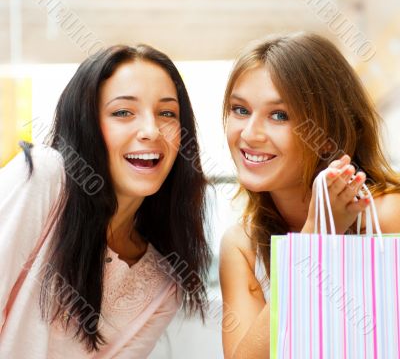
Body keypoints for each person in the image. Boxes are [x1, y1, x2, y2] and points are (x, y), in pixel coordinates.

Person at [0, 45, 211, 358]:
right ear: (87, 124)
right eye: (123, 112)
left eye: (167, 113)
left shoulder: (163, 284)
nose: (151, 131)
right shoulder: (43, 177)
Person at [218, 33, 400, 359]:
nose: (249, 134)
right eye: (240, 110)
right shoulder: (242, 245)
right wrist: (314, 237)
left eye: (279, 115)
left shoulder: (388, 215)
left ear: (328, 136)